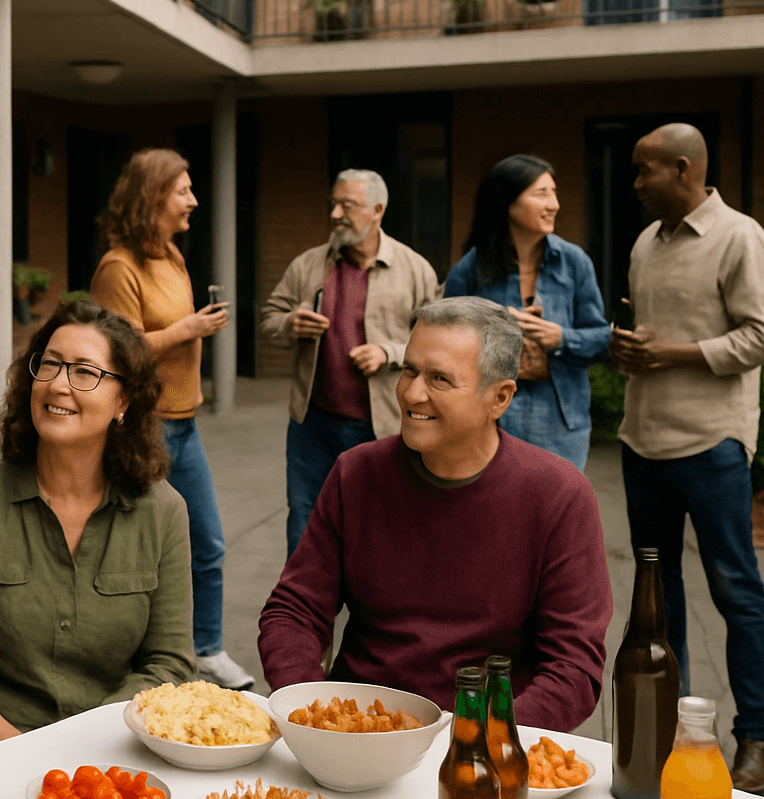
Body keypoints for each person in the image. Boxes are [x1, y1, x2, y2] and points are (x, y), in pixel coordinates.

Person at [259, 298, 614, 731]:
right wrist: (307, 710)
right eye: (408, 370)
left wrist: (478, 743)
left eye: (439, 379)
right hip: (356, 729)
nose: (411, 393)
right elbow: (294, 610)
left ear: (499, 398)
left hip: (481, 742)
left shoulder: (559, 496)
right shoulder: (357, 472)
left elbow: (574, 668)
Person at [0, 300, 196, 765]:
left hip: (110, 745)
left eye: (85, 372)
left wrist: (86, 748)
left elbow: (170, 662)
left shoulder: (163, 511)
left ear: (123, 401)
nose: (59, 384)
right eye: (50, 365)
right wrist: (22, 752)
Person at [611, 122, 764, 794]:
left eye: (643, 170)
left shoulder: (740, 237)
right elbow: (654, 337)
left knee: (737, 592)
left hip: (712, 445)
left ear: (683, 169)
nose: (634, 183)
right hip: (642, 441)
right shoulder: (644, 245)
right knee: (657, 605)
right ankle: (668, 737)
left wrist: (676, 354)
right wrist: (631, 350)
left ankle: (760, 739)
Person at [88, 148, 253, 691]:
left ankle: (205, 649)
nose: (193, 200)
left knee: (206, 544)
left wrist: (191, 332)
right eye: (183, 190)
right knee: (132, 550)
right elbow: (119, 350)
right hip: (141, 427)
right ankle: (129, 659)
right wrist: (189, 330)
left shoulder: (174, 256)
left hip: (185, 424)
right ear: (154, 195)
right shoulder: (118, 267)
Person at [261, 168, 439, 558]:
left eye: (348, 205)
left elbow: (437, 341)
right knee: (305, 528)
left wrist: (389, 352)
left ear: (377, 210)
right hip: (313, 427)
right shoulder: (308, 265)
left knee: (386, 528)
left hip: (385, 427)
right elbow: (269, 320)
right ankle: (307, 615)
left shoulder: (415, 269)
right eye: (334, 204)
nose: (336, 214)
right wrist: (291, 323)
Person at [445, 155, 610, 469]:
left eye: (554, 193)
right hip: (490, 420)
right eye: (541, 194)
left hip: (561, 421)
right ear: (507, 201)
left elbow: (602, 339)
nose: (554, 204)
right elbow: (446, 347)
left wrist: (559, 337)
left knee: (555, 511)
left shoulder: (574, 262)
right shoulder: (470, 270)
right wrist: (495, 337)